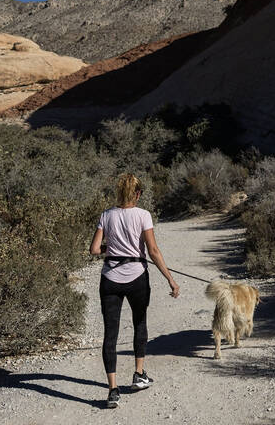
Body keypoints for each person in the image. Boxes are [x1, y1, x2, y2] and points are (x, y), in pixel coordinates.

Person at [90, 173, 180, 408]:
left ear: (118, 192)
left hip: (110, 278)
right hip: (137, 277)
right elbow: (153, 250)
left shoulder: (106, 215)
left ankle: (112, 390)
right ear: (137, 194)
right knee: (140, 323)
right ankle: (139, 374)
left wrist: (113, 249)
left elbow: (94, 249)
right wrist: (170, 279)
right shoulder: (143, 215)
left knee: (111, 333)